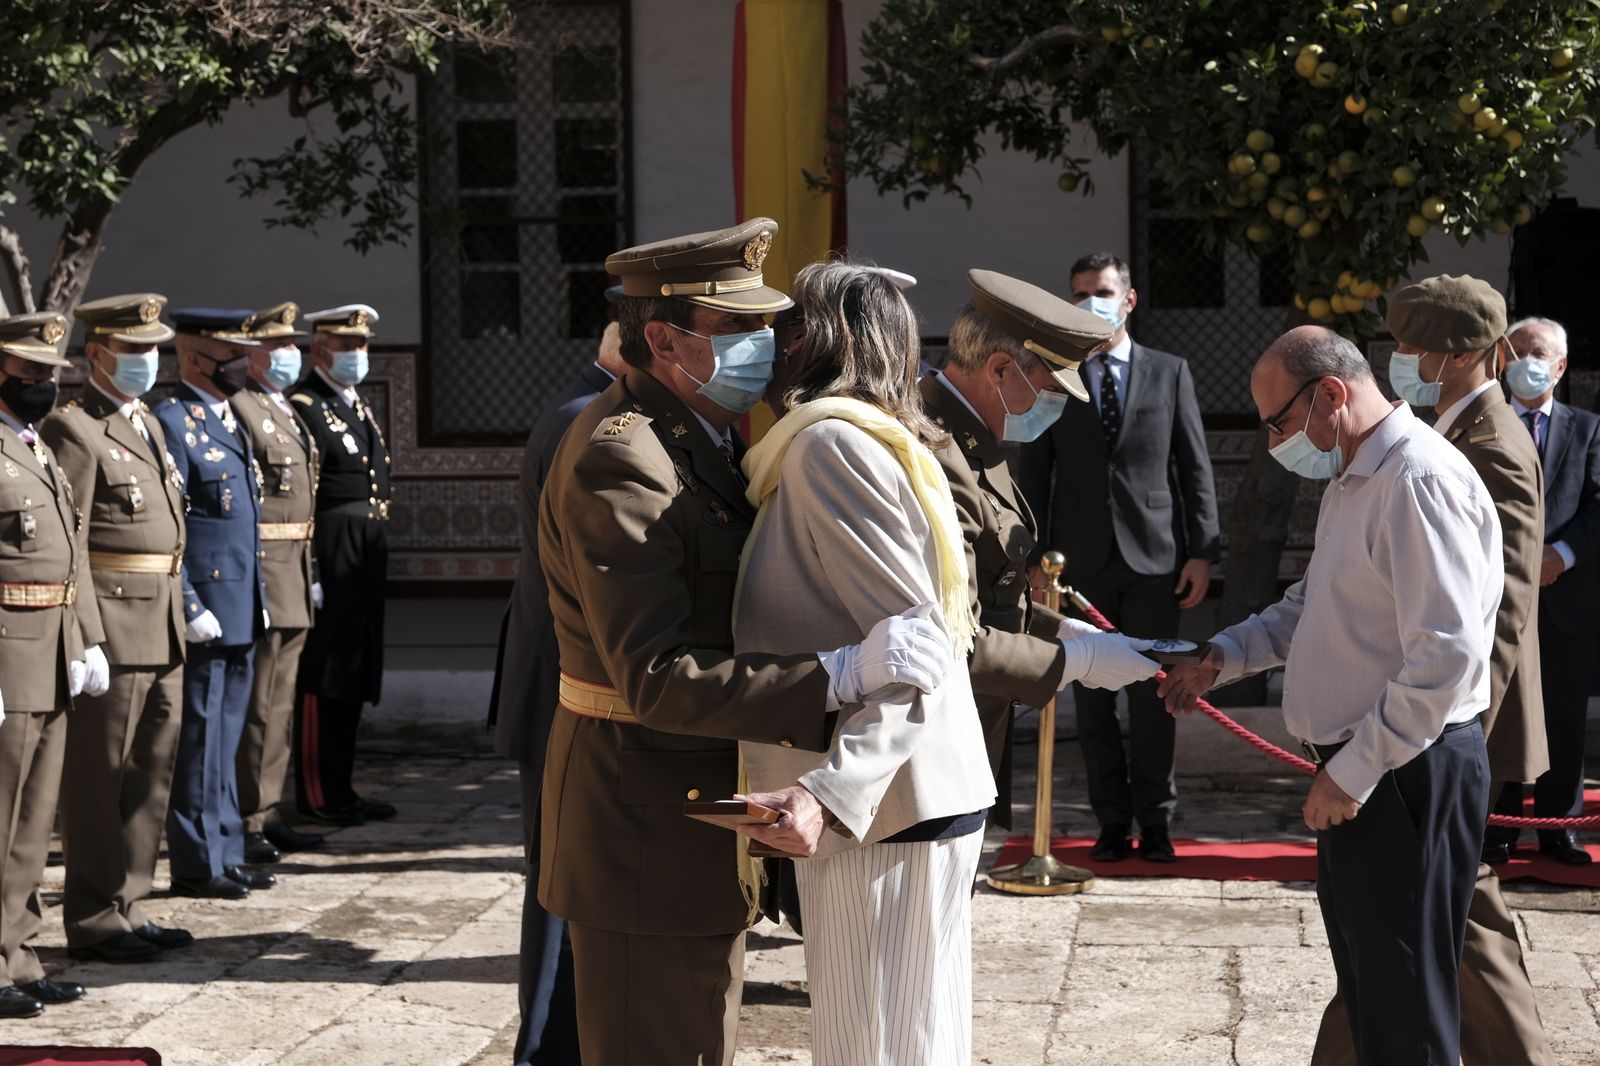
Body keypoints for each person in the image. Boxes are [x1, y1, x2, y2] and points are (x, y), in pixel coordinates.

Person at [537, 219, 952, 1066]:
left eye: (766, 324)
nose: (765, 344)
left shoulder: (703, 438)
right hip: (643, 832)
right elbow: (654, 677)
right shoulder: (624, 459)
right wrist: (835, 676)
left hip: (695, 817)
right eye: (736, 327)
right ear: (664, 340)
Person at [1162, 325, 1498, 1065]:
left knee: (1405, 1010)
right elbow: (1315, 605)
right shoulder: (1358, 475)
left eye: (1278, 421)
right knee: (1376, 995)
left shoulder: (1415, 480)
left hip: (1402, 771)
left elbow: (1444, 655)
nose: (1275, 441)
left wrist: (1352, 772)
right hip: (1373, 772)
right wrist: (1221, 657)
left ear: (1331, 395)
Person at [1306, 275, 1555, 1066]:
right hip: (1426, 729)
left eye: (1413, 346)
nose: (1402, 359)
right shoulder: (1441, 431)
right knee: (1418, 948)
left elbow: (1499, 610)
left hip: (1439, 733)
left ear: (1457, 353)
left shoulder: (1486, 444)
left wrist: (1454, 738)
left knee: (1427, 950)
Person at [920, 270, 1161, 829]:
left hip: (965, 741)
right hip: (926, 751)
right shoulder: (934, 452)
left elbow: (990, 598)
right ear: (1001, 370)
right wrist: (1078, 660)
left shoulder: (973, 438)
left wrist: (1069, 633)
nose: (1055, 406)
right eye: (1051, 390)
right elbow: (944, 635)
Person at [1017, 251, 1220, 862]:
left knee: (1158, 693)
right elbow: (1036, 471)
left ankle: (1156, 820)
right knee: (1093, 699)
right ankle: (1110, 821)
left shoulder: (1169, 371)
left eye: (1102, 292)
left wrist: (1203, 552)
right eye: (1080, 293)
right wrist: (1034, 556)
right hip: (1078, 565)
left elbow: (1194, 466)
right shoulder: (1058, 374)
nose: (1091, 303)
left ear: (1128, 300)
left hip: (1156, 560)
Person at [488, 316, 624, 1066]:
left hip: (559, 679)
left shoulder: (593, 406)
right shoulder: (588, 419)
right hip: (561, 686)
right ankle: (542, 1051)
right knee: (556, 884)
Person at [41, 294, 193, 963]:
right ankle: (95, 916)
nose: (147, 360)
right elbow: (68, 542)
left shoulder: (147, 421)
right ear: (98, 354)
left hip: (163, 619)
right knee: (99, 781)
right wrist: (87, 634)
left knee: (150, 772)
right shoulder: (74, 428)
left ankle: (130, 902)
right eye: (133, 350)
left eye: (153, 348)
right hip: (115, 620)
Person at [154, 309, 272, 900]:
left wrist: (258, 595)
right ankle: (198, 862)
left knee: (225, 734)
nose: (242, 365)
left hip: (241, 599)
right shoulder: (174, 421)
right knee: (201, 737)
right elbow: (171, 524)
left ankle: (226, 850)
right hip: (206, 603)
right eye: (231, 357)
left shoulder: (230, 418)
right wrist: (188, 600)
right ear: (196, 360)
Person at [0, 311, 98, 1017]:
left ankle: (19, 954)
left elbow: (71, 552)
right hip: (8, 654)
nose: (44, 383)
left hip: (53, 649)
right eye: (29, 371)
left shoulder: (33, 445)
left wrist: (86, 638)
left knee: (34, 823)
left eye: (50, 372)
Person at [291, 305, 394, 826]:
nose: (358, 353)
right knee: (324, 675)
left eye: (363, 344)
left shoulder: (353, 404)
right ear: (319, 350)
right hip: (332, 550)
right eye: (347, 345)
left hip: (363, 552)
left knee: (352, 673)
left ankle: (343, 788)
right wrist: (310, 569)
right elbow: (302, 497)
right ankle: (317, 794)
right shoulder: (306, 406)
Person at [1504, 315, 1599, 866]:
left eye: (1535, 353)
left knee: (1563, 716)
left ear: (1560, 366)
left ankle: (1559, 827)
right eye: (1514, 352)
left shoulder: (1588, 429)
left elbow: (1597, 504)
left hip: (1566, 598)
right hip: (1500, 597)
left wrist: (1560, 555)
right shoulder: (1486, 427)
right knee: (1501, 713)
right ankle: (1499, 826)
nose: (1523, 362)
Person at [232, 302, 325, 862]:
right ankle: (249, 816)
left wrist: (309, 573)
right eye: (278, 345)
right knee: (260, 706)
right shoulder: (243, 408)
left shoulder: (283, 407)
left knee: (280, 703)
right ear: (252, 355)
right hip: (266, 571)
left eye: (293, 343)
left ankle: (268, 808)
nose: (290, 353)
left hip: (293, 568)